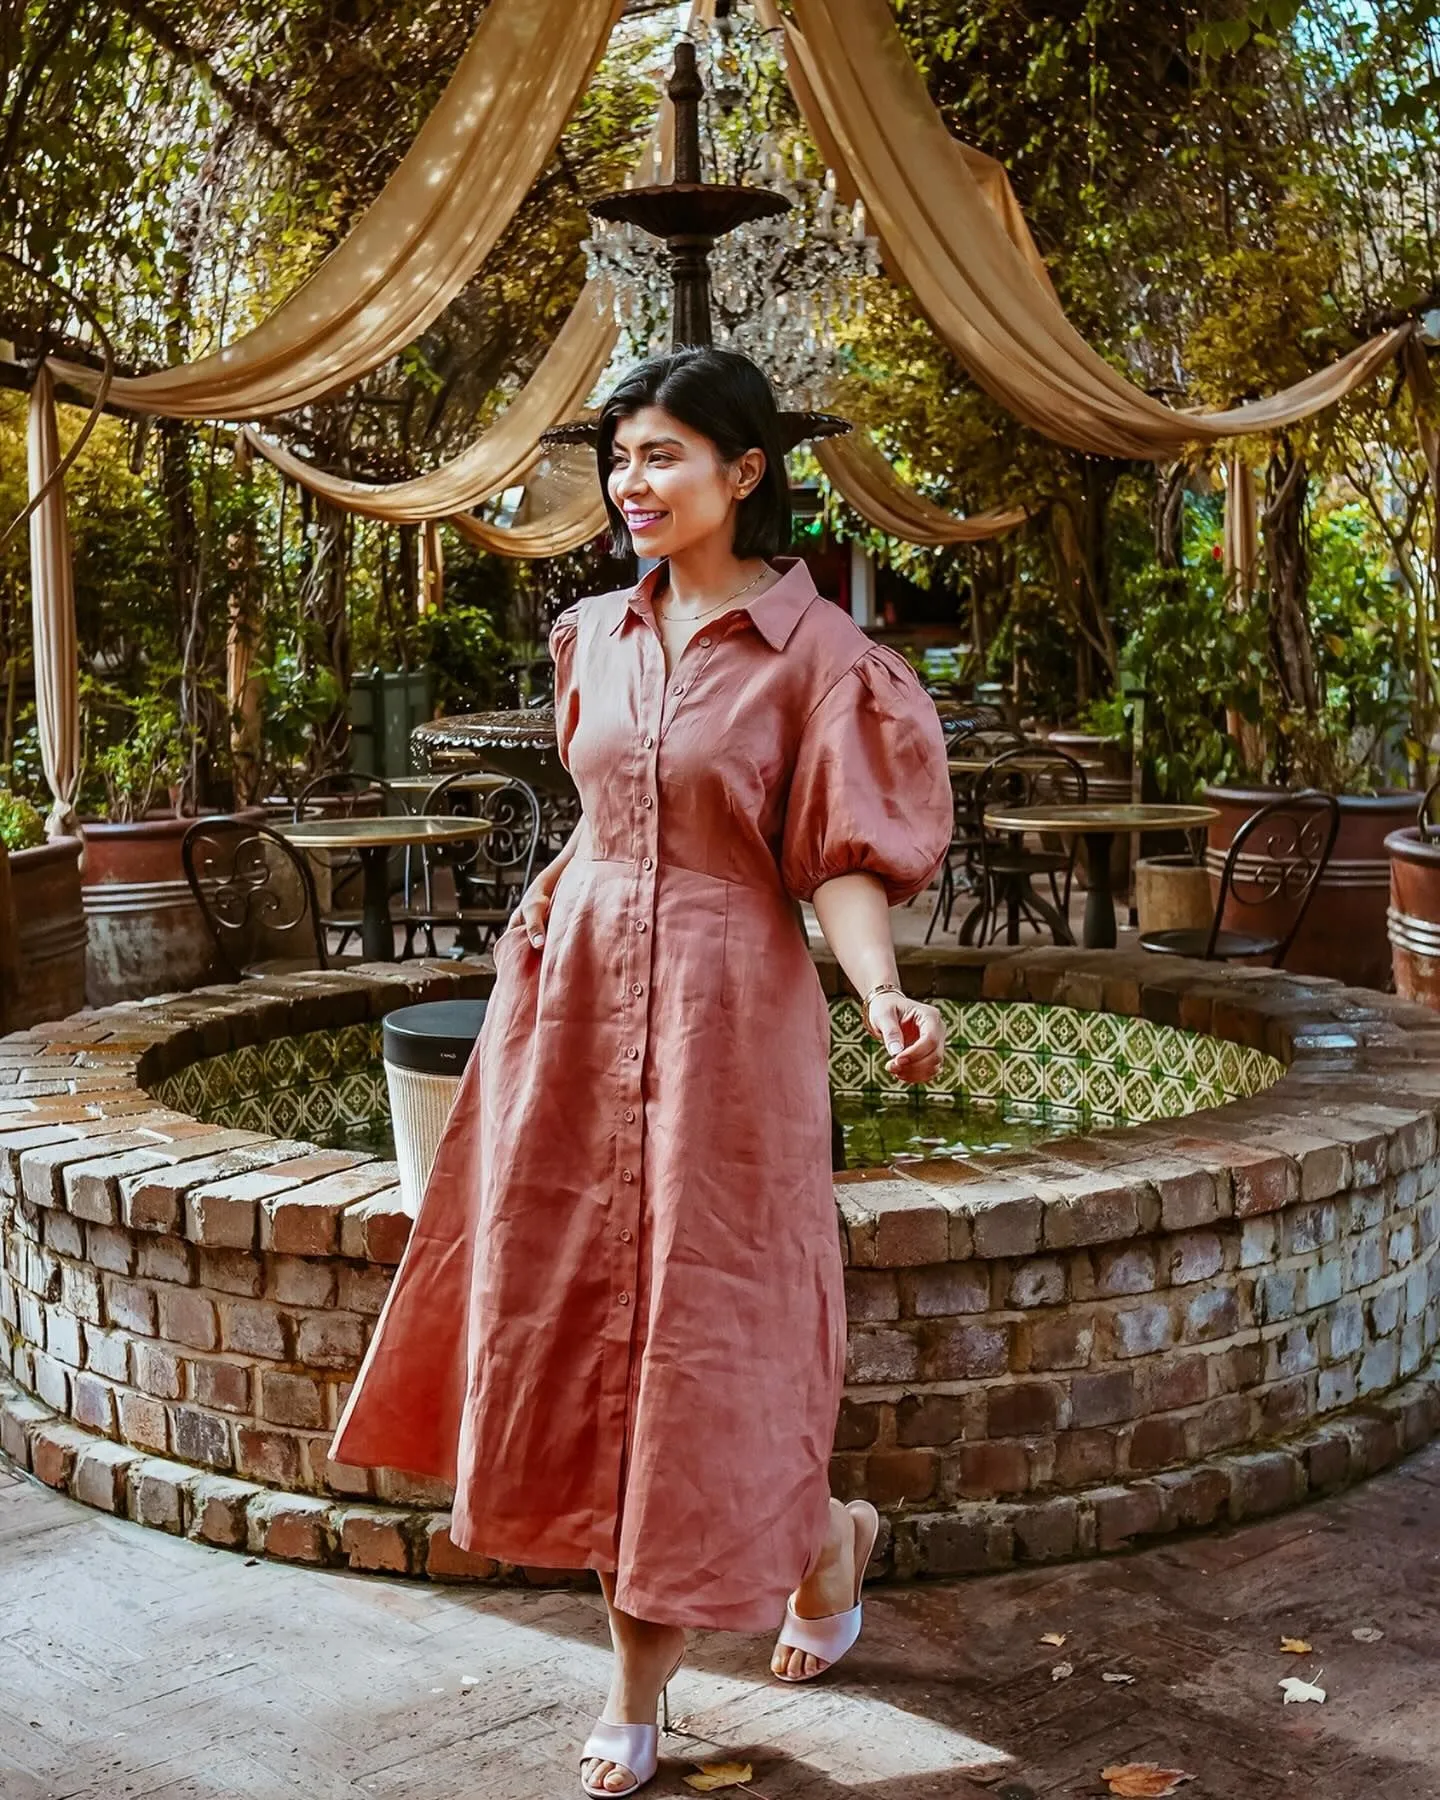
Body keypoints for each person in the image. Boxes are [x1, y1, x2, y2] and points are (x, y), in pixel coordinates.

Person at [329, 346, 954, 1797]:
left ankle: (642, 1682)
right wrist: (552, 883)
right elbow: (614, 807)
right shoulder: (589, 633)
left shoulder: (821, 663)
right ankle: (826, 1545)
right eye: (620, 458)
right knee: (590, 1324)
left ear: (744, 474)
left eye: (664, 454)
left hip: (735, 1022)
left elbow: (837, 862)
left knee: (708, 1343)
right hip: (578, 1010)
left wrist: (886, 995)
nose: (632, 483)